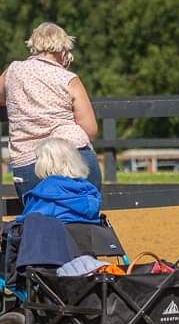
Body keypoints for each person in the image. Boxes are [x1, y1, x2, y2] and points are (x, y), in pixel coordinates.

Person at [0, 22, 100, 201]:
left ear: (33, 45)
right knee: (83, 218)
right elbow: (90, 130)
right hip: (74, 155)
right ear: (63, 49)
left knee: (39, 221)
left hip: (29, 160)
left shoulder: (13, 70)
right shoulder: (69, 79)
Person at [17, 137, 102, 224]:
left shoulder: (44, 190)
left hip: (55, 235)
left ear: (44, 163)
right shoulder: (89, 189)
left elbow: (29, 222)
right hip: (87, 234)